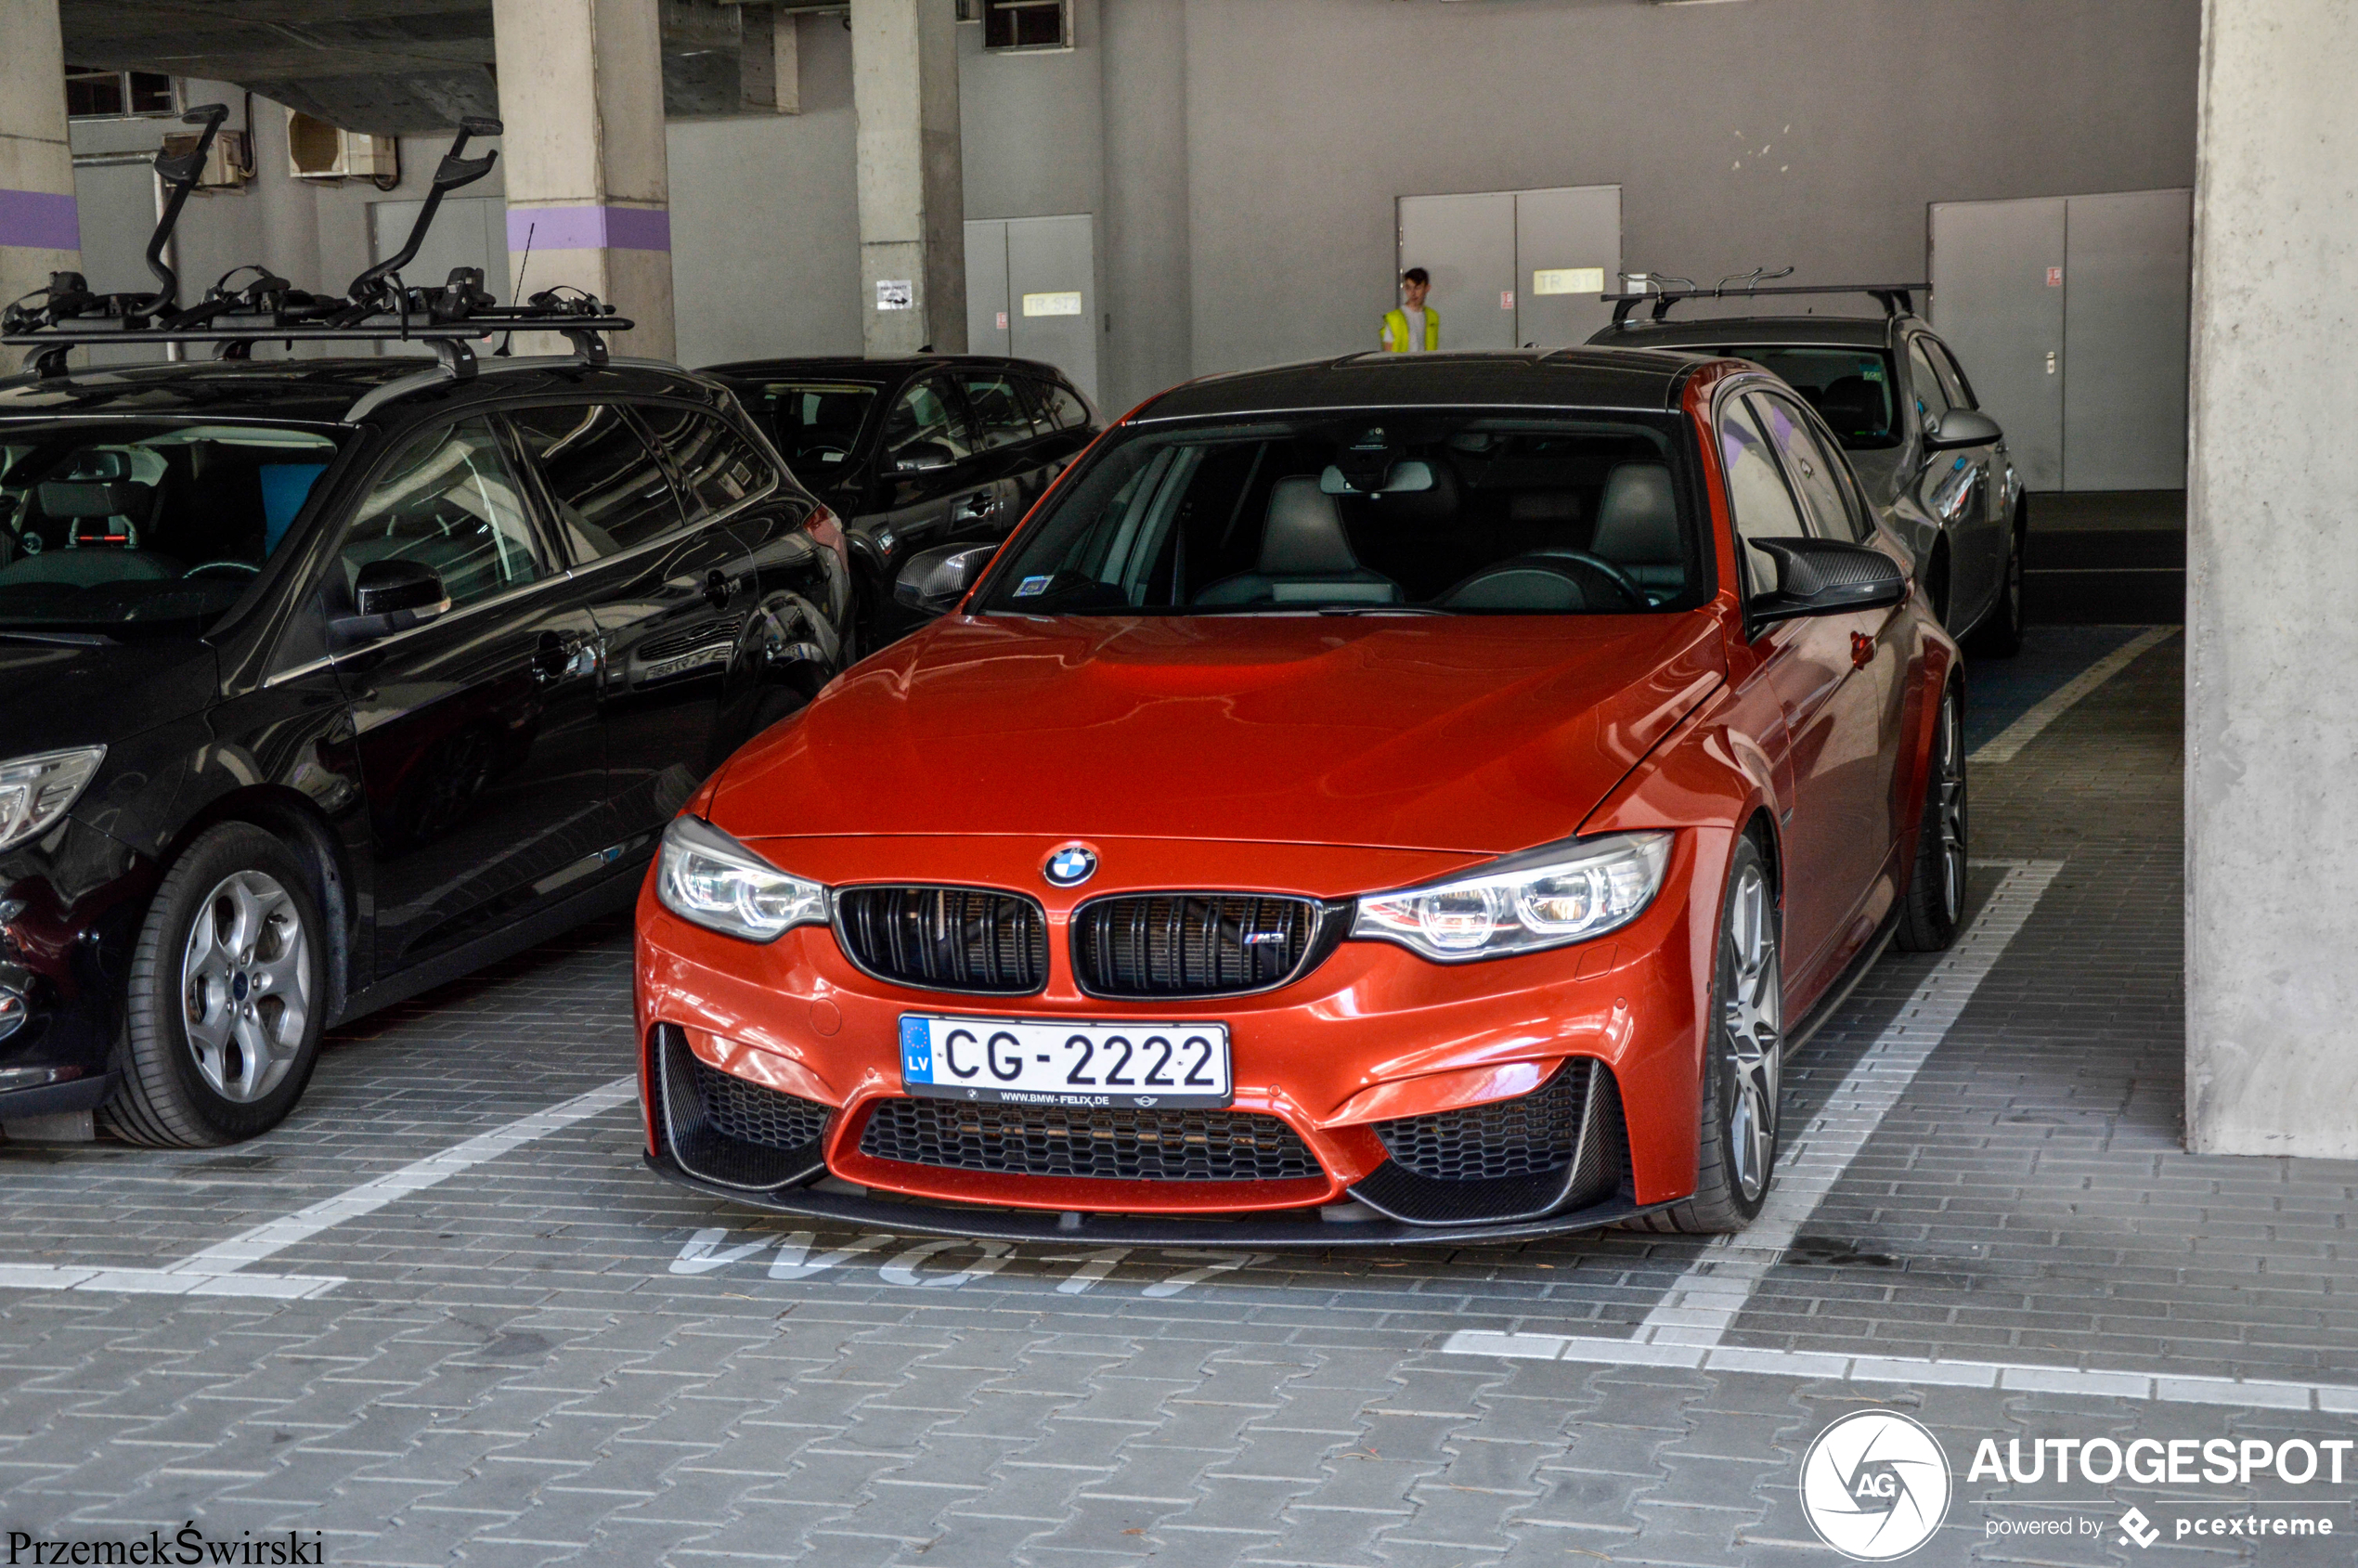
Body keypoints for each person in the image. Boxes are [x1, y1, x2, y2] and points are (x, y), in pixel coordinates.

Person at [1381, 267, 1439, 353]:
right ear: (1404, 288)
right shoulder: (1394, 318)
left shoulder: (1432, 316)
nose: (1413, 293)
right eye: (1409, 288)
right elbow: (1387, 352)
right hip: (1401, 365)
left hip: (1425, 365)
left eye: (1417, 288)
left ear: (1427, 288)